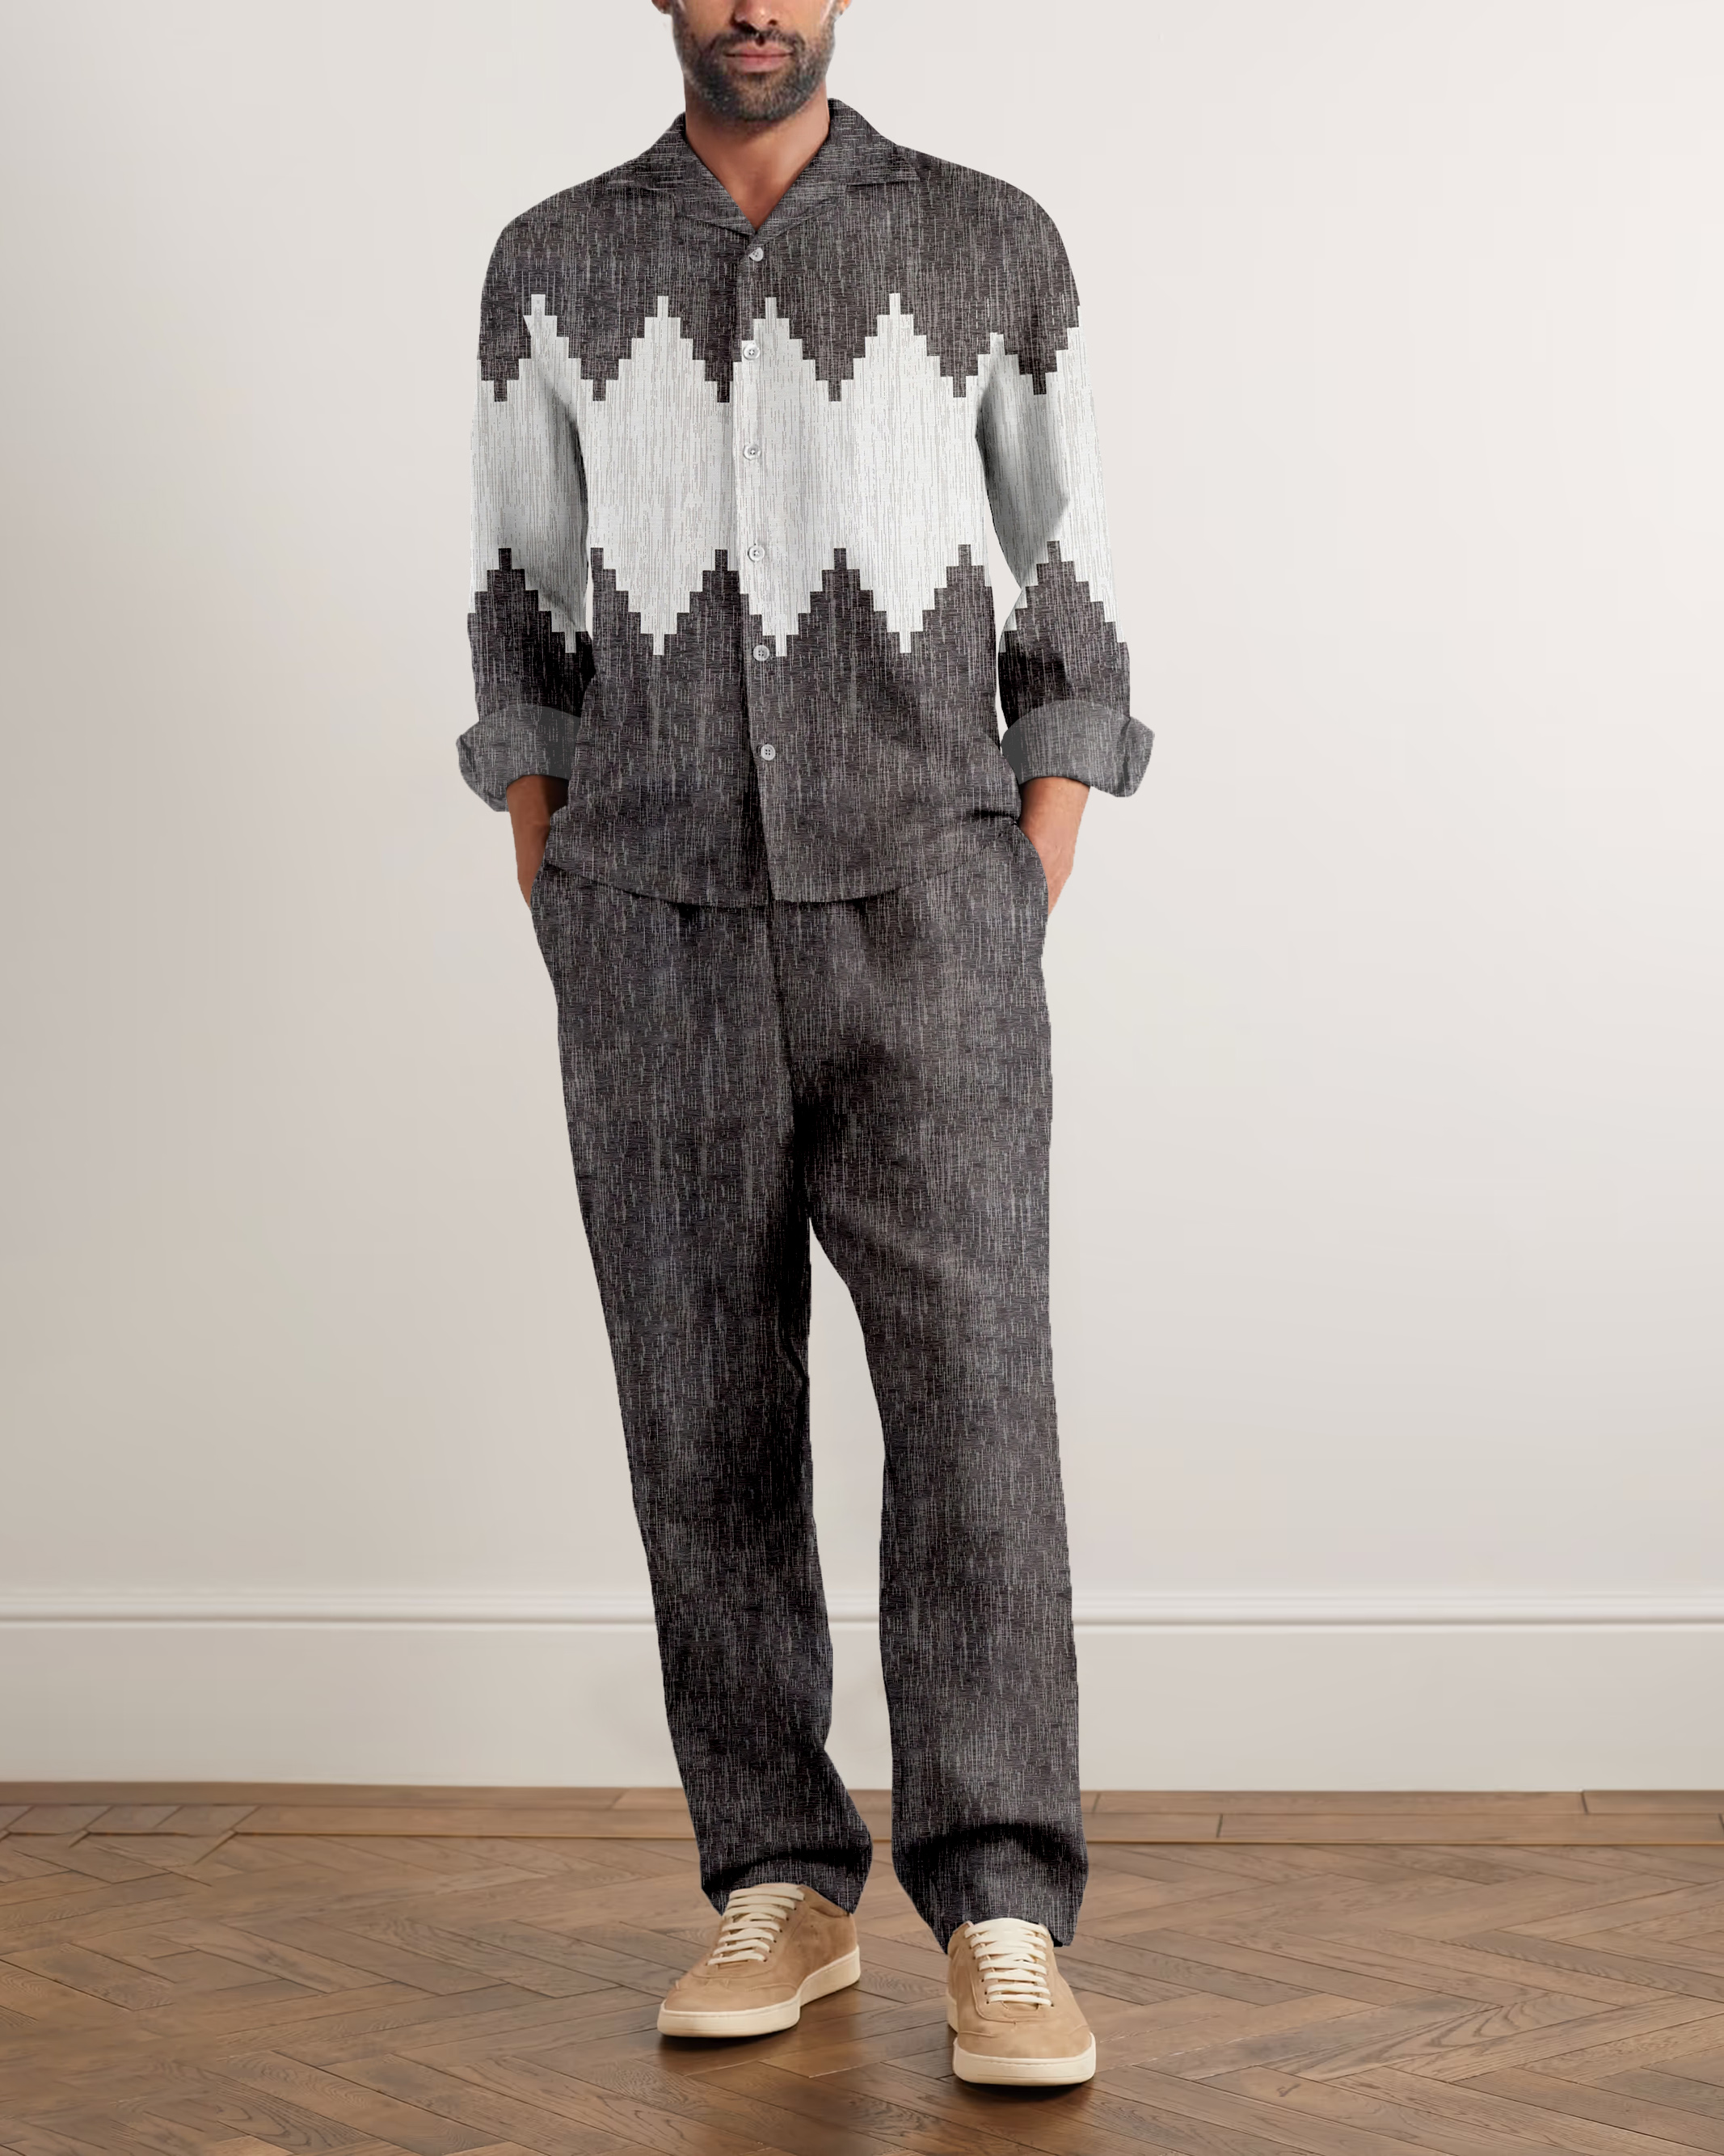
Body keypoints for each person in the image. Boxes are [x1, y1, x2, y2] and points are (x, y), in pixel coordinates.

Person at [459, 0, 1149, 2089]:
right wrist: (561, 881)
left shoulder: (988, 243)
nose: (756, 3)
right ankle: (776, 1872)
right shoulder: (553, 264)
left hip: (929, 918)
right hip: (647, 925)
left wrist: (1015, 878)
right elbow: (523, 603)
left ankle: (1003, 1904)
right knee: (701, 1417)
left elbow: (1067, 587)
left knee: (975, 1410)